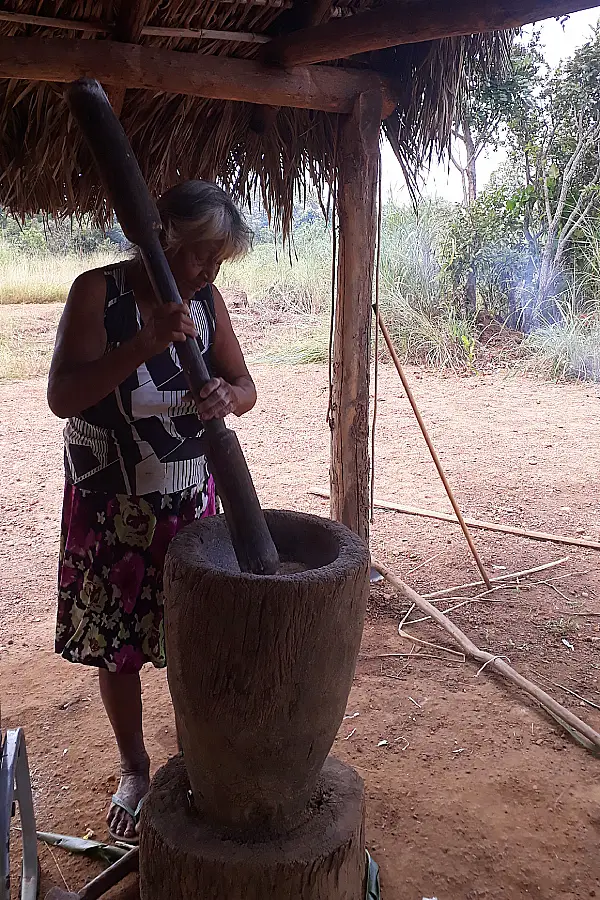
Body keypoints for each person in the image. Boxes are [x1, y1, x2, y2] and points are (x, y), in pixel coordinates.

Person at [47, 180, 257, 843]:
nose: (208, 270)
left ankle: (198, 756)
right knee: (119, 647)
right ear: (161, 236)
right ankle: (135, 767)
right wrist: (143, 343)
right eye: (200, 255)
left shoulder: (207, 302)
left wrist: (229, 395)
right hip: (111, 504)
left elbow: (246, 386)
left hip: (188, 500)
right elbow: (62, 395)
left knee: (194, 637)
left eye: (218, 260)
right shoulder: (96, 293)